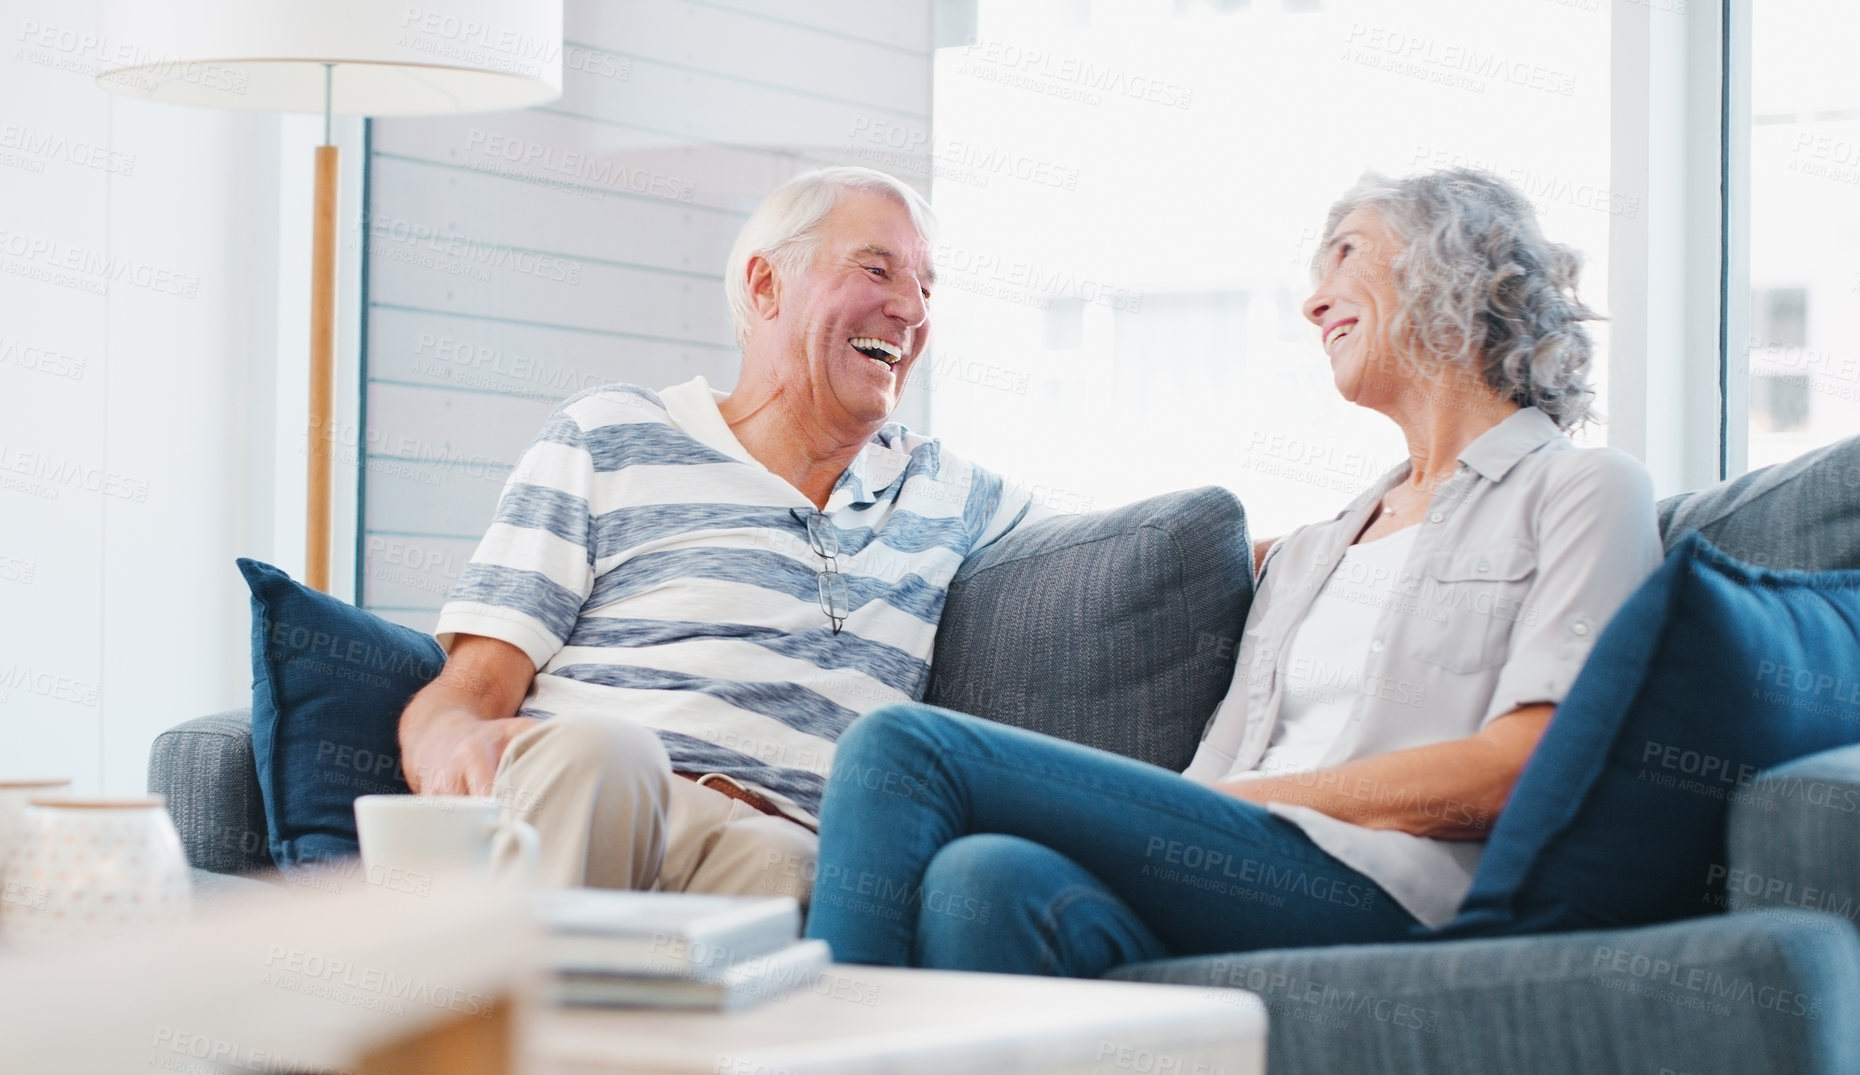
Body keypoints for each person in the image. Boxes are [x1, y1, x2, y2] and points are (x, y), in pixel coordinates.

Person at [803, 169, 1663, 976]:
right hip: (1243, 869)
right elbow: (1215, 773)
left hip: (1401, 892)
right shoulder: (1319, 548)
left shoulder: (1583, 489)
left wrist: (1264, 801)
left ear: (1456, 264)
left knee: (900, 746)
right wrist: (1216, 812)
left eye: (1348, 255)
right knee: (983, 880)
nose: (1313, 300)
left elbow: (1523, 767)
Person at [396, 166, 1038, 901]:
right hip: (602, 793)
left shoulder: (941, 488)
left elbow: (1172, 549)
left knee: (785, 868)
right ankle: (487, 1004)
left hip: (781, 840)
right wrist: (447, 748)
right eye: (877, 269)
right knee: (606, 753)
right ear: (765, 285)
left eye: (927, 286)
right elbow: (470, 690)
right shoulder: (611, 435)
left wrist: (1205, 772)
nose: (911, 309)